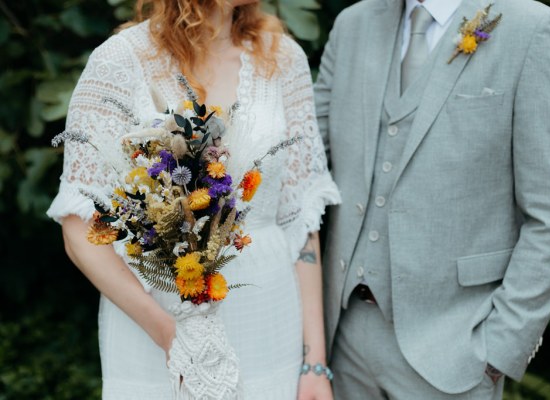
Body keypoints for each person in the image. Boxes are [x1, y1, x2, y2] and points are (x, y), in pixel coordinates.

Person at [47, 0, 340, 398]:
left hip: (269, 317)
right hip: (156, 323)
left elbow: (301, 218)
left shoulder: (282, 58)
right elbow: (79, 226)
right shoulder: (120, 61)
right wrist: (170, 336)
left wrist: (315, 362)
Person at [315, 0, 550, 398]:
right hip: (342, 344)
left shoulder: (533, 30)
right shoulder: (352, 24)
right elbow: (300, 163)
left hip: (455, 353)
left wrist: (499, 350)